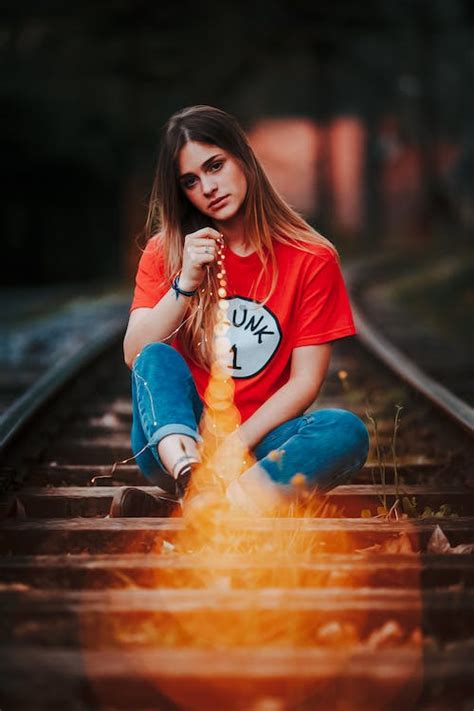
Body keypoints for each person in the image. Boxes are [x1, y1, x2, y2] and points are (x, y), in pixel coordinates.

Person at [109, 105, 369, 517]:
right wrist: (187, 281)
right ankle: (194, 481)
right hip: (176, 442)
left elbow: (304, 383)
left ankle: (208, 505)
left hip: (256, 443)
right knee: (156, 354)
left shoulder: (311, 258)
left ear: (243, 158)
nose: (208, 187)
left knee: (345, 431)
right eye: (191, 181)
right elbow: (134, 354)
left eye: (215, 166)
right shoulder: (167, 251)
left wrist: (232, 447)